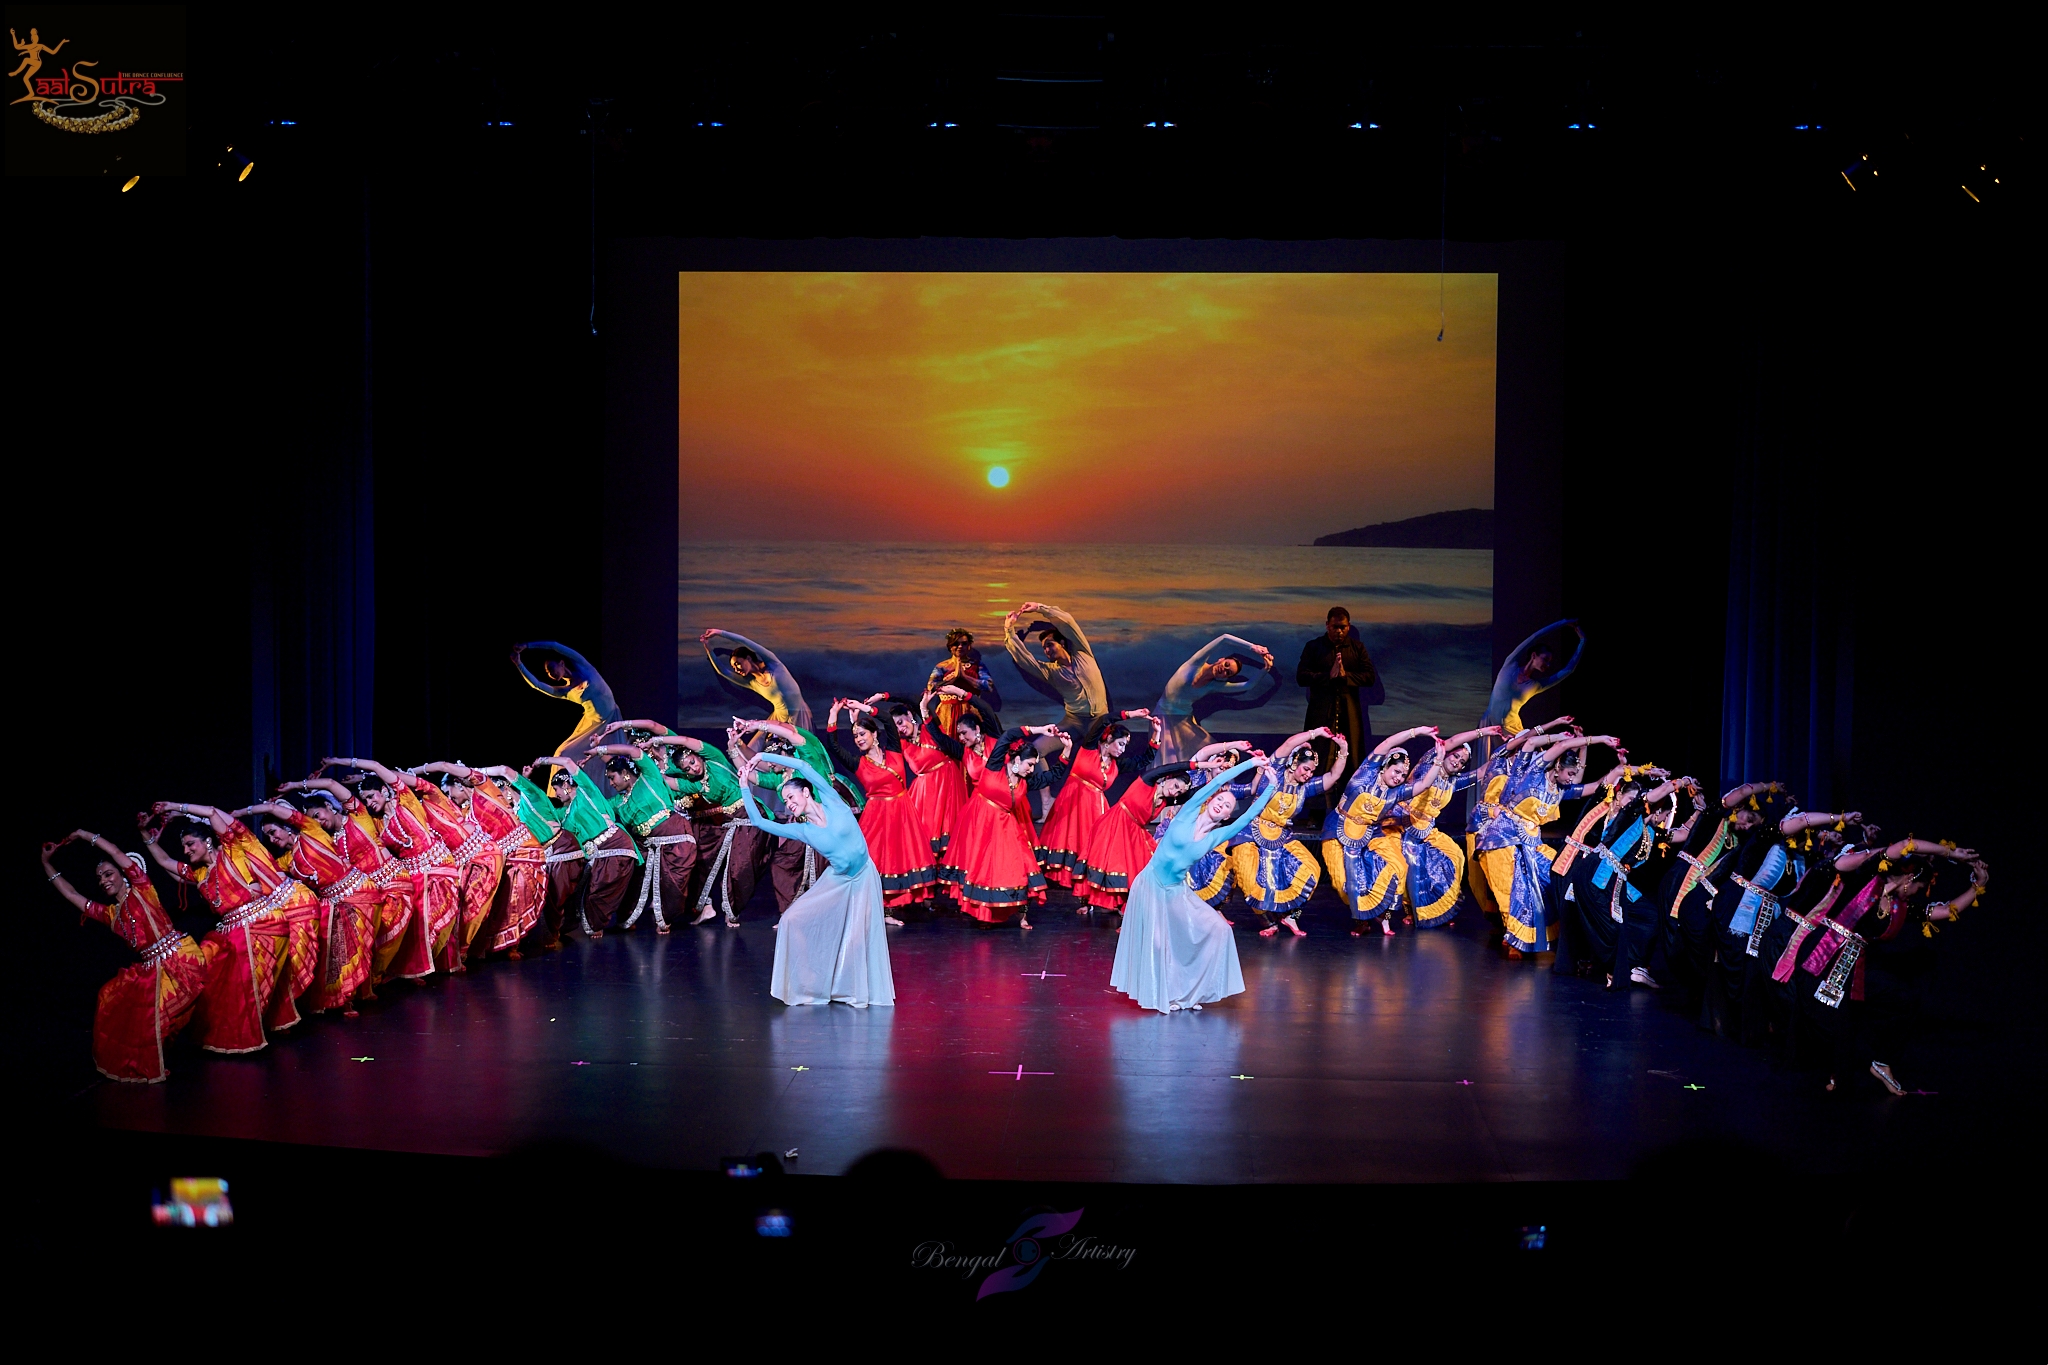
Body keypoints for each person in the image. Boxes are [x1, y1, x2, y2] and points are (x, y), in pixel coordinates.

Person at [42, 829, 222, 1082]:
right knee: (115, 1000)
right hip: (153, 970)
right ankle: (159, 1066)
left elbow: (115, 851)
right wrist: (46, 864)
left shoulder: (141, 888)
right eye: (100, 877)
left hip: (179, 959)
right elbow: (72, 894)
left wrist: (85, 835)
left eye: (109, 873)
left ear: (124, 874)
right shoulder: (110, 914)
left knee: (168, 1016)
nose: (104, 880)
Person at [141, 802, 315, 1053]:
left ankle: (247, 1036)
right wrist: (145, 835)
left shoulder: (232, 851)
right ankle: (225, 1033)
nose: (186, 850)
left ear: (208, 842)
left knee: (248, 986)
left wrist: (175, 806)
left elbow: (212, 812)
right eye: (184, 847)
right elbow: (165, 861)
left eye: (191, 844)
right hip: (233, 933)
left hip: (263, 925)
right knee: (212, 978)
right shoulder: (198, 874)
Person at [1110, 758, 1277, 1014]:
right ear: (1210, 801)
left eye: (1227, 806)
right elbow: (1220, 781)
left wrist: (1271, 787)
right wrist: (1251, 763)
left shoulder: (1216, 836)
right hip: (1151, 885)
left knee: (1219, 930)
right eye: (1219, 800)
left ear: (1227, 815)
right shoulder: (1188, 813)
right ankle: (1165, 997)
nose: (1221, 804)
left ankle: (1188, 993)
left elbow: (1249, 817)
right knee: (1158, 943)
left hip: (1176, 893)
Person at [736, 752, 895, 1008]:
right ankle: (809, 983)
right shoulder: (803, 829)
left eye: (790, 797)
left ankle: (849, 989)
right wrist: (745, 786)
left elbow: (801, 764)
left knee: (857, 938)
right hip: (838, 881)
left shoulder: (831, 799)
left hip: (864, 876)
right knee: (791, 919)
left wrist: (762, 755)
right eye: (785, 800)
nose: (788, 803)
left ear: (806, 793)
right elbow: (758, 821)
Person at [1470, 731, 1619, 958]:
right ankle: (1515, 941)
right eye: (1569, 773)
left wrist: (1620, 770)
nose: (1572, 778)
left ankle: (1543, 934)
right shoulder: (1532, 772)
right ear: (1557, 767)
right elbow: (1539, 743)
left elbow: (1595, 786)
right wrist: (1596, 739)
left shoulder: (1560, 790)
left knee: (1554, 875)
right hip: (1501, 838)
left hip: (1531, 842)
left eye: (1574, 774)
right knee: (1510, 890)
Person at [238, 793, 390, 1011]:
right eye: (268, 836)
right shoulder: (287, 859)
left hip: (358, 893)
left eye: (273, 832)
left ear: (287, 826)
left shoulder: (311, 832)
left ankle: (357, 993)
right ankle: (343, 998)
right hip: (331, 902)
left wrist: (244, 813)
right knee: (336, 950)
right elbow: (263, 867)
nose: (272, 840)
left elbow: (286, 814)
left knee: (358, 946)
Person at [312, 758, 468, 972]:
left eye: (371, 796)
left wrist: (338, 762)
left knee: (434, 922)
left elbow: (377, 767)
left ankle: (439, 964)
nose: (368, 802)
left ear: (385, 792)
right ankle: (413, 971)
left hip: (439, 868)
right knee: (413, 929)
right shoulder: (377, 823)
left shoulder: (406, 801)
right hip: (412, 877)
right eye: (365, 799)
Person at [940, 723, 1069, 927]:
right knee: (983, 870)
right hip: (982, 824)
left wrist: (1067, 751)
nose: (1032, 769)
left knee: (1020, 867)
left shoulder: (1025, 782)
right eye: (1029, 764)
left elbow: (1051, 776)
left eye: (1034, 765)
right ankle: (984, 915)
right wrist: (1040, 730)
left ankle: (1023, 916)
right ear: (1017, 760)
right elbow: (1008, 735)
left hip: (1007, 828)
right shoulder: (994, 766)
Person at [504, 756, 642, 937]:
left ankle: (599, 925)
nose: (556, 794)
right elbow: (537, 810)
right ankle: (576, 926)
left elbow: (569, 762)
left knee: (598, 893)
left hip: (615, 848)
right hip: (597, 856)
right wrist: (525, 782)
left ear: (566, 785)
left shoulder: (587, 791)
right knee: (579, 891)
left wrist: (543, 761)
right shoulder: (564, 813)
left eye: (556, 789)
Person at [826, 698, 938, 920]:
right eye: (856, 736)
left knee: (902, 857)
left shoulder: (894, 751)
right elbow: (834, 746)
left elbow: (886, 719)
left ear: (874, 735)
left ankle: (896, 906)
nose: (858, 739)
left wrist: (863, 707)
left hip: (903, 813)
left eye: (862, 734)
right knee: (878, 860)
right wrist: (833, 715)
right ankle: (880, 908)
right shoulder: (858, 763)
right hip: (877, 817)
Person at [1230, 728, 1348, 938]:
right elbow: (1287, 745)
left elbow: (1333, 775)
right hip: (1252, 831)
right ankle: (1267, 921)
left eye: (1312, 771)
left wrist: (1344, 749)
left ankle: (1291, 916)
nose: (1309, 774)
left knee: (1312, 869)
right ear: (1294, 763)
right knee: (1249, 878)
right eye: (1306, 768)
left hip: (1281, 835)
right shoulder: (1272, 773)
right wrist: (1316, 733)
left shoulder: (1306, 787)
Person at [1322, 726, 1436, 936]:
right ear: (1384, 767)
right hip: (1338, 830)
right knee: (1343, 882)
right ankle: (1361, 919)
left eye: (1403, 774)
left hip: (1370, 832)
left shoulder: (1396, 792)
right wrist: (1417, 732)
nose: (1399, 777)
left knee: (1398, 865)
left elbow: (1425, 783)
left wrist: (1440, 759)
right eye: (1396, 771)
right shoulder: (1366, 774)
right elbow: (1386, 745)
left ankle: (1384, 915)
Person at [1038, 710, 1158, 899]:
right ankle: (1061, 876)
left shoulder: (1118, 763)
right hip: (1072, 801)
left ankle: (1083, 881)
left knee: (1090, 843)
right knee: (1067, 837)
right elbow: (1103, 720)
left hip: (1094, 807)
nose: (1122, 749)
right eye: (1120, 744)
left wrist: (1156, 734)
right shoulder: (1089, 748)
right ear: (1109, 738)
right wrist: (1132, 714)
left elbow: (1144, 760)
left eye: (1125, 746)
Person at [585, 741, 697, 934]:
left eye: (613, 778)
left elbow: (632, 751)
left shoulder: (649, 778)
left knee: (673, 883)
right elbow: (595, 809)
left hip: (674, 836)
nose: (611, 783)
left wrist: (599, 751)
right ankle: (623, 919)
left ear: (626, 774)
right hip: (643, 845)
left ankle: (666, 919)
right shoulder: (618, 801)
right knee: (629, 878)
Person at [1398, 727, 1500, 930]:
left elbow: (1481, 772)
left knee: (1455, 855)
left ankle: (1443, 909)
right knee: (1413, 862)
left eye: (1462, 761)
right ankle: (1412, 910)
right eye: (1456, 756)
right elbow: (1452, 740)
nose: (1457, 762)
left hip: (1427, 829)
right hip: (1404, 824)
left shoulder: (1453, 781)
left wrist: (1508, 751)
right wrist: (1485, 732)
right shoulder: (1428, 764)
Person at [1002, 602, 1109, 764]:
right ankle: (1044, 790)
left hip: (1099, 720)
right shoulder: (1050, 671)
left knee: (1101, 758)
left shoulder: (1083, 653)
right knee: (1034, 751)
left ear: (1062, 643)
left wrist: (1040, 608)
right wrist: (1009, 630)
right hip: (1074, 722)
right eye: (1044, 648)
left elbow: (1068, 622)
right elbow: (1025, 660)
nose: (1047, 650)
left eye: (1050, 645)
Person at [1294, 608, 1379, 801]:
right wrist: (1327, 676)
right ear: (1327, 626)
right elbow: (1301, 676)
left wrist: (1345, 676)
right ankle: (1314, 810)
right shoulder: (1314, 647)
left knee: (1351, 758)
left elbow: (1369, 677)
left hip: (1350, 713)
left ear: (1348, 627)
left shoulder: (1357, 648)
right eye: (1335, 627)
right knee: (1316, 757)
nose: (1338, 631)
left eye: (1342, 627)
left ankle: (1348, 806)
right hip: (1321, 711)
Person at [1153, 634, 1277, 766]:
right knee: (1166, 759)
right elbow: (1224, 638)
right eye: (1226, 664)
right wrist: (1254, 647)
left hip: (1184, 720)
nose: (1224, 669)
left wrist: (1266, 669)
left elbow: (1248, 685)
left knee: (1209, 754)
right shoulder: (1195, 664)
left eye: (1228, 672)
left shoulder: (1214, 685)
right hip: (1162, 717)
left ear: (1225, 678)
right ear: (1221, 659)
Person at [512, 641, 621, 764]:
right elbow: (537, 685)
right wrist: (519, 664)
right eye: (548, 673)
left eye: (551, 669)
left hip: (611, 716)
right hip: (594, 725)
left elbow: (554, 646)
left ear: (562, 663)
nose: (551, 674)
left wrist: (527, 646)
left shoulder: (584, 667)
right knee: (562, 753)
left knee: (613, 756)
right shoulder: (566, 691)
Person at [1482, 619, 1586, 738]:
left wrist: (1582, 641)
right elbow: (1534, 637)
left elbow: (1568, 670)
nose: (1548, 665)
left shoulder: (1535, 685)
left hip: (1512, 729)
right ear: (1533, 655)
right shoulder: (1510, 664)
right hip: (1489, 723)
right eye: (1545, 659)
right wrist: (1563, 623)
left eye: (1550, 662)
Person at [702, 628, 812, 729]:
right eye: (733, 667)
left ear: (748, 658)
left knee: (804, 747)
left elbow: (745, 642)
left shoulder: (773, 663)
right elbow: (723, 671)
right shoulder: (750, 682)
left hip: (799, 714)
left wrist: (720, 633)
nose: (736, 669)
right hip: (780, 719)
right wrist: (708, 649)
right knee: (764, 747)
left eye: (738, 664)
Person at [924, 629, 1002, 737]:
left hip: (971, 710)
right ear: (950, 646)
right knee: (947, 744)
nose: (960, 646)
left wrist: (965, 677)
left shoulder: (977, 665)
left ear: (969, 646)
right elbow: (931, 686)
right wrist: (952, 679)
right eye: (956, 643)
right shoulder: (942, 666)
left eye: (964, 643)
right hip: (947, 713)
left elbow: (988, 686)